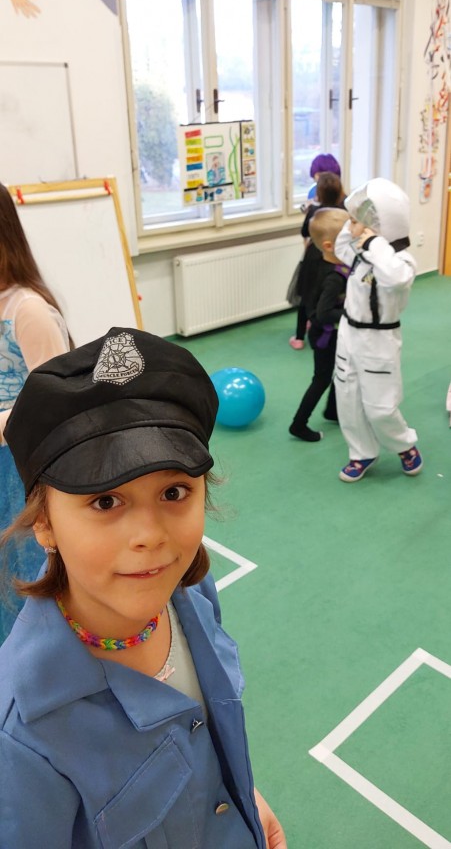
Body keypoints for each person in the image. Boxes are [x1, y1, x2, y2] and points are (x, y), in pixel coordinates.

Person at [0, 327, 287, 849]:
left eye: (174, 492)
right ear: (44, 524)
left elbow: (204, 732)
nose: (150, 537)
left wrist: (242, 795)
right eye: (105, 501)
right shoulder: (22, 735)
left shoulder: (192, 594)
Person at [0, 181, 70, 642]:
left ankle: (33, 649)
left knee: (22, 562)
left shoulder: (28, 310)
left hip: (19, 463)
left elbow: (54, 401)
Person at [334, 178, 423, 482]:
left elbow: (394, 278)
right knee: (348, 396)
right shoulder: (360, 254)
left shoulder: (400, 261)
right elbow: (341, 246)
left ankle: (404, 445)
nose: (350, 226)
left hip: (379, 339)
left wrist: (374, 243)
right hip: (349, 332)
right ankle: (362, 452)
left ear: (376, 228)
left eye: (356, 221)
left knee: (380, 405)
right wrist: (355, 221)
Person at [289, 208, 349, 442]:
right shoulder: (333, 278)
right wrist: (351, 313)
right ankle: (298, 424)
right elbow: (323, 314)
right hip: (325, 336)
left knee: (341, 369)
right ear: (329, 246)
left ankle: (332, 410)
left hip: (331, 334)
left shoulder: (327, 264)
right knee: (322, 378)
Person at [289, 160, 345, 350]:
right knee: (330, 293)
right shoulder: (343, 210)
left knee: (307, 296)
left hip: (314, 256)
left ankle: (299, 337)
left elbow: (305, 232)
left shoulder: (314, 210)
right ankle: (326, 326)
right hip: (335, 256)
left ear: (318, 193)